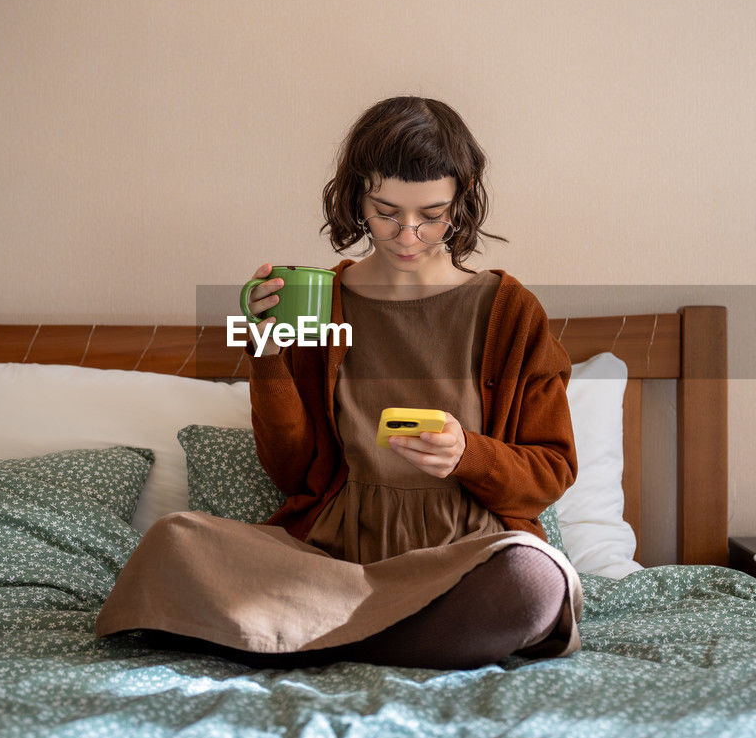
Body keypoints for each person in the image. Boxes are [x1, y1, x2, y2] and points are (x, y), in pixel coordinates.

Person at [96, 96, 582, 669]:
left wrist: (466, 454)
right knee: (173, 541)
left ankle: (299, 640)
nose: (408, 233)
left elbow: (551, 471)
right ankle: (388, 638)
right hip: (332, 563)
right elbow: (293, 472)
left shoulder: (512, 312)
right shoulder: (317, 301)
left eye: (432, 214)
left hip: (463, 556)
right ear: (356, 196)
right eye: (385, 211)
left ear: (462, 200)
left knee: (535, 580)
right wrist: (267, 355)